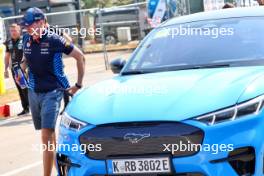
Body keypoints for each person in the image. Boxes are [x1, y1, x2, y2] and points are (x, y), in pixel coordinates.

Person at [20, 7, 85, 176]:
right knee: (50, 140)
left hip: (53, 91)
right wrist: (20, 70)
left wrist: (78, 85)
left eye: (30, 25)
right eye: (25, 26)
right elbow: (25, 60)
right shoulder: (26, 38)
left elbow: (80, 57)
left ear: (41, 22)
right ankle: (64, 172)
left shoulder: (55, 39)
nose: (27, 29)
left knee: (46, 138)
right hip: (34, 91)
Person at [4, 23, 30, 116]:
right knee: (20, 88)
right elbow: (7, 56)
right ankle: (25, 108)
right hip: (14, 69)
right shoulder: (9, 42)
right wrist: (6, 69)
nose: (13, 32)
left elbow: (28, 53)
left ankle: (34, 106)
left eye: (15, 30)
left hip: (24, 68)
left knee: (27, 87)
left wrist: (25, 66)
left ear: (19, 30)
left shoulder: (25, 39)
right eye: (11, 31)